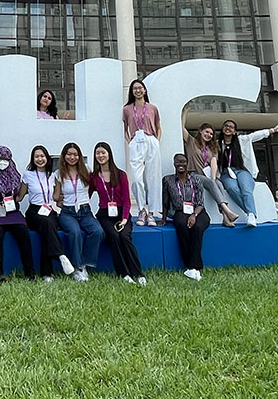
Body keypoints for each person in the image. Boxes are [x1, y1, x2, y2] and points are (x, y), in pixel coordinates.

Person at [90, 142, 146, 285]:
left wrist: (125, 219)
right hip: (104, 215)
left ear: (109, 154)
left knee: (125, 237)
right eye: (98, 153)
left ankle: (138, 273)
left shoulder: (120, 174)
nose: (101, 156)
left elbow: (127, 200)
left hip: (122, 214)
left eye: (103, 152)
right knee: (114, 236)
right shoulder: (94, 177)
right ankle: (124, 273)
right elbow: (86, 195)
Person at [17, 145, 75, 282]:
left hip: (49, 210)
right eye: (36, 157)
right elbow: (19, 197)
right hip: (34, 212)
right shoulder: (27, 175)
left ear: (47, 158)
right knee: (46, 224)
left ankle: (46, 273)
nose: (40, 159)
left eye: (42, 156)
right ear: (33, 159)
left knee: (47, 230)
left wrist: (65, 199)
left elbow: (56, 197)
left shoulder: (53, 175)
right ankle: (60, 256)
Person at [0, 146, 36, 283]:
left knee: (23, 231)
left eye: (5, 159)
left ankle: (29, 272)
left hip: (12, 212)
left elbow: (19, 194)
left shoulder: (15, 175)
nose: (2, 162)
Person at [53, 142, 104, 282]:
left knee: (98, 231)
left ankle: (85, 263)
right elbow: (56, 196)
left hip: (85, 210)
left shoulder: (86, 169)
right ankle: (78, 267)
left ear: (79, 156)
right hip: (67, 212)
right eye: (69, 154)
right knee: (74, 232)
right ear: (64, 156)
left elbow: (93, 187)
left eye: (75, 154)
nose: (72, 157)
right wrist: (59, 199)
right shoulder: (58, 174)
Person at [218, 119, 278, 227]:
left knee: (246, 189)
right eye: (225, 125)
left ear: (234, 132)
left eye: (231, 127)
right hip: (226, 173)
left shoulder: (241, 140)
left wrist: (272, 130)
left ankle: (251, 216)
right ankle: (251, 212)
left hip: (241, 170)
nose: (228, 128)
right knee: (232, 188)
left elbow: (256, 135)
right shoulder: (218, 144)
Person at [181, 110, 238, 227]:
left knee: (219, 184)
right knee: (211, 183)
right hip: (194, 174)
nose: (209, 135)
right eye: (207, 132)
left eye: (211, 134)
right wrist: (185, 111)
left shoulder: (212, 147)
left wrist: (213, 178)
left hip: (207, 175)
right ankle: (227, 210)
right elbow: (181, 127)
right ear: (201, 131)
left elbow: (214, 163)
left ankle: (225, 218)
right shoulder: (192, 142)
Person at [162, 153, 211, 281]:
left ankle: (193, 267)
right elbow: (165, 201)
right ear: (174, 164)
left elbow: (200, 202)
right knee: (182, 226)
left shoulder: (196, 179)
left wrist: (194, 215)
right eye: (178, 162)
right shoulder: (168, 180)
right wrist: (164, 218)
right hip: (180, 211)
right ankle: (191, 266)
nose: (181, 164)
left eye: (183, 162)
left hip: (198, 211)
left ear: (187, 163)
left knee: (198, 227)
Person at [122, 79, 162, 226]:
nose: (138, 90)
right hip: (136, 142)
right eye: (135, 89)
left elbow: (158, 126)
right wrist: (130, 141)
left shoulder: (152, 108)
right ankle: (141, 209)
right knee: (137, 179)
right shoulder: (127, 109)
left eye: (140, 88)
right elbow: (125, 127)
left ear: (144, 90)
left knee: (152, 177)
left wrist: (156, 140)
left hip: (151, 140)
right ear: (132, 92)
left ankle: (151, 212)